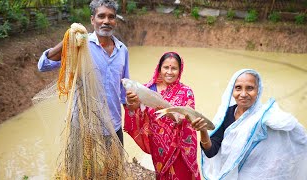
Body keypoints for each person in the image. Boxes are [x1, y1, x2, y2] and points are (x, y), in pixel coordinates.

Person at [37, 0, 129, 145]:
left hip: (113, 125)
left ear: (115, 21)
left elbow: (124, 88)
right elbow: (43, 65)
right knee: (84, 168)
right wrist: (68, 40)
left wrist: (132, 113)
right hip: (83, 125)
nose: (106, 21)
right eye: (101, 16)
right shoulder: (79, 46)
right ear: (92, 20)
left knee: (115, 167)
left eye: (111, 17)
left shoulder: (122, 49)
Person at [192, 69, 307, 180]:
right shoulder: (225, 115)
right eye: (238, 88)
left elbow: (296, 139)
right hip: (230, 175)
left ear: (258, 90)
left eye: (250, 88)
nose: (243, 94)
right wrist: (203, 130)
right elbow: (211, 151)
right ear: (232, 91)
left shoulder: (268, 118)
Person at [124, 52, 201, 180]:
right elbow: (135, 112)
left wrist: (169, 112)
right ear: (159, 68)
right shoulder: (146, 89)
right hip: (158, 146)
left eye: (174, 68)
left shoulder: (186, 92)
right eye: (166, 67)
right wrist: (131, 102)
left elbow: (189, 119)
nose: (169, 72)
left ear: (180, 70)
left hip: (180, 149)